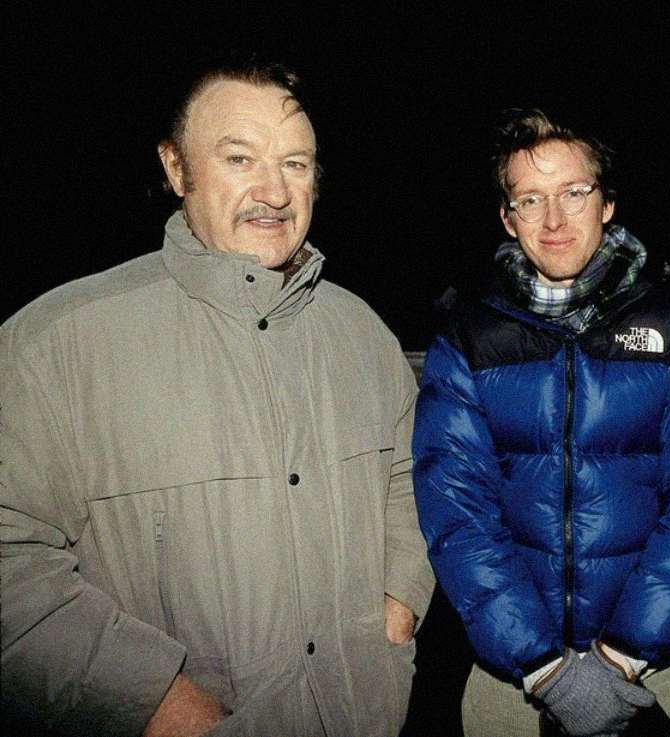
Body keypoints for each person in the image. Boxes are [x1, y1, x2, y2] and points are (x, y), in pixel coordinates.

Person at [0, 62, 434, 737]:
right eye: (240, 158)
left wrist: (395, 609)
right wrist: (152, 699)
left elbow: (415, 476)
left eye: (295, 163)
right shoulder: (54, 345)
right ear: (177, 170)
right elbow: (10, 558)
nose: (274, 191)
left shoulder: (361, 333)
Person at [411, 108, 670, 737]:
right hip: (510, 683)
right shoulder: (468, 339)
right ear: (508, 219)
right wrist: (545, 669)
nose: (555, 219)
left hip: (648, 674)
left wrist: (621, 657)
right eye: (530, 199)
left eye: (574, 192)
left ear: (608, 203)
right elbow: (456, 510)